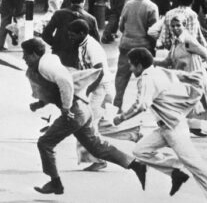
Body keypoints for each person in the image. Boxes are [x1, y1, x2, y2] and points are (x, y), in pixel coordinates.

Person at [23, 38, 146, 195]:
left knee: (45, 143)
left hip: (75, 111)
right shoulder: (47, 62)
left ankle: (56, 183)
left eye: (26, 55)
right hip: (83, 108)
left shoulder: (46, 64)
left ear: (34, 54)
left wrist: (66, 108)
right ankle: (136, 165)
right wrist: (40, 104)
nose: (24, 59)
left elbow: (65, 81)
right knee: (97, 147)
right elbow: (54, 88)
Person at [113, 48, 207, 201]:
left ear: (139, 66)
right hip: (167, 127)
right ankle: (176, 169)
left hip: (174, 128)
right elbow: (184, 76)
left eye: (131, 65)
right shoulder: (160, 71)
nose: (130, 69)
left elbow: (141, 105)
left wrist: (122, 117)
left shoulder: (146, 78)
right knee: (140, 150)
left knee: (198, 167)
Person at [154, 14, 207, 160]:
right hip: (186, 84)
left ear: (184, 26)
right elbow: (167, 61)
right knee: (174, 111)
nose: (175, 28)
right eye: (173, 26)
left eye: (178, 25)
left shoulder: (188, 41)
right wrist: (148, 60)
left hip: (197, 83)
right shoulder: (176, 42)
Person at [67, 19, 115, 171]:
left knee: (87, 124)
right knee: (85, 124)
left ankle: (100, 159)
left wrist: (86, 91)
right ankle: (96, 158)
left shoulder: (92, 47)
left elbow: (99, 73)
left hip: (100, 89)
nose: (70, 38)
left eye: (73, 35)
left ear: (82, 33)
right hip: (94, 88)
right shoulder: (82, 44)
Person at [113, 0, 159, 112]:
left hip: (126, 44)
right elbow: (153, 30)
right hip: (144, 46)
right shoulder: (152, 7)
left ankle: (117, 104)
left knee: (122, 75)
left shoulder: (128, 4)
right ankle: (145, 105)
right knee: (146, 78)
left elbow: (121, 25)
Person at [42, 0, 99, 68]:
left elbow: (45, 34)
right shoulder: (91, 19)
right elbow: (96, 41)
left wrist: (56, 44)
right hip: (79, 58)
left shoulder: (59, 14)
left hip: (60, 55)